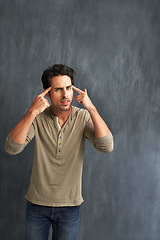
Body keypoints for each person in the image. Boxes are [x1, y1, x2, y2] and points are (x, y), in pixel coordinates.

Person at [5, 64, 114, 240]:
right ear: (47, 93)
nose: (65, 95)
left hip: (70, 206)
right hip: (37, 204)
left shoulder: (83, 117)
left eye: (69, 88)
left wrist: (91, 108)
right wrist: (32, 111)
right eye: (58, 90)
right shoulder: (38, 118)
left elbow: (107, 146)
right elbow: (11, 148)